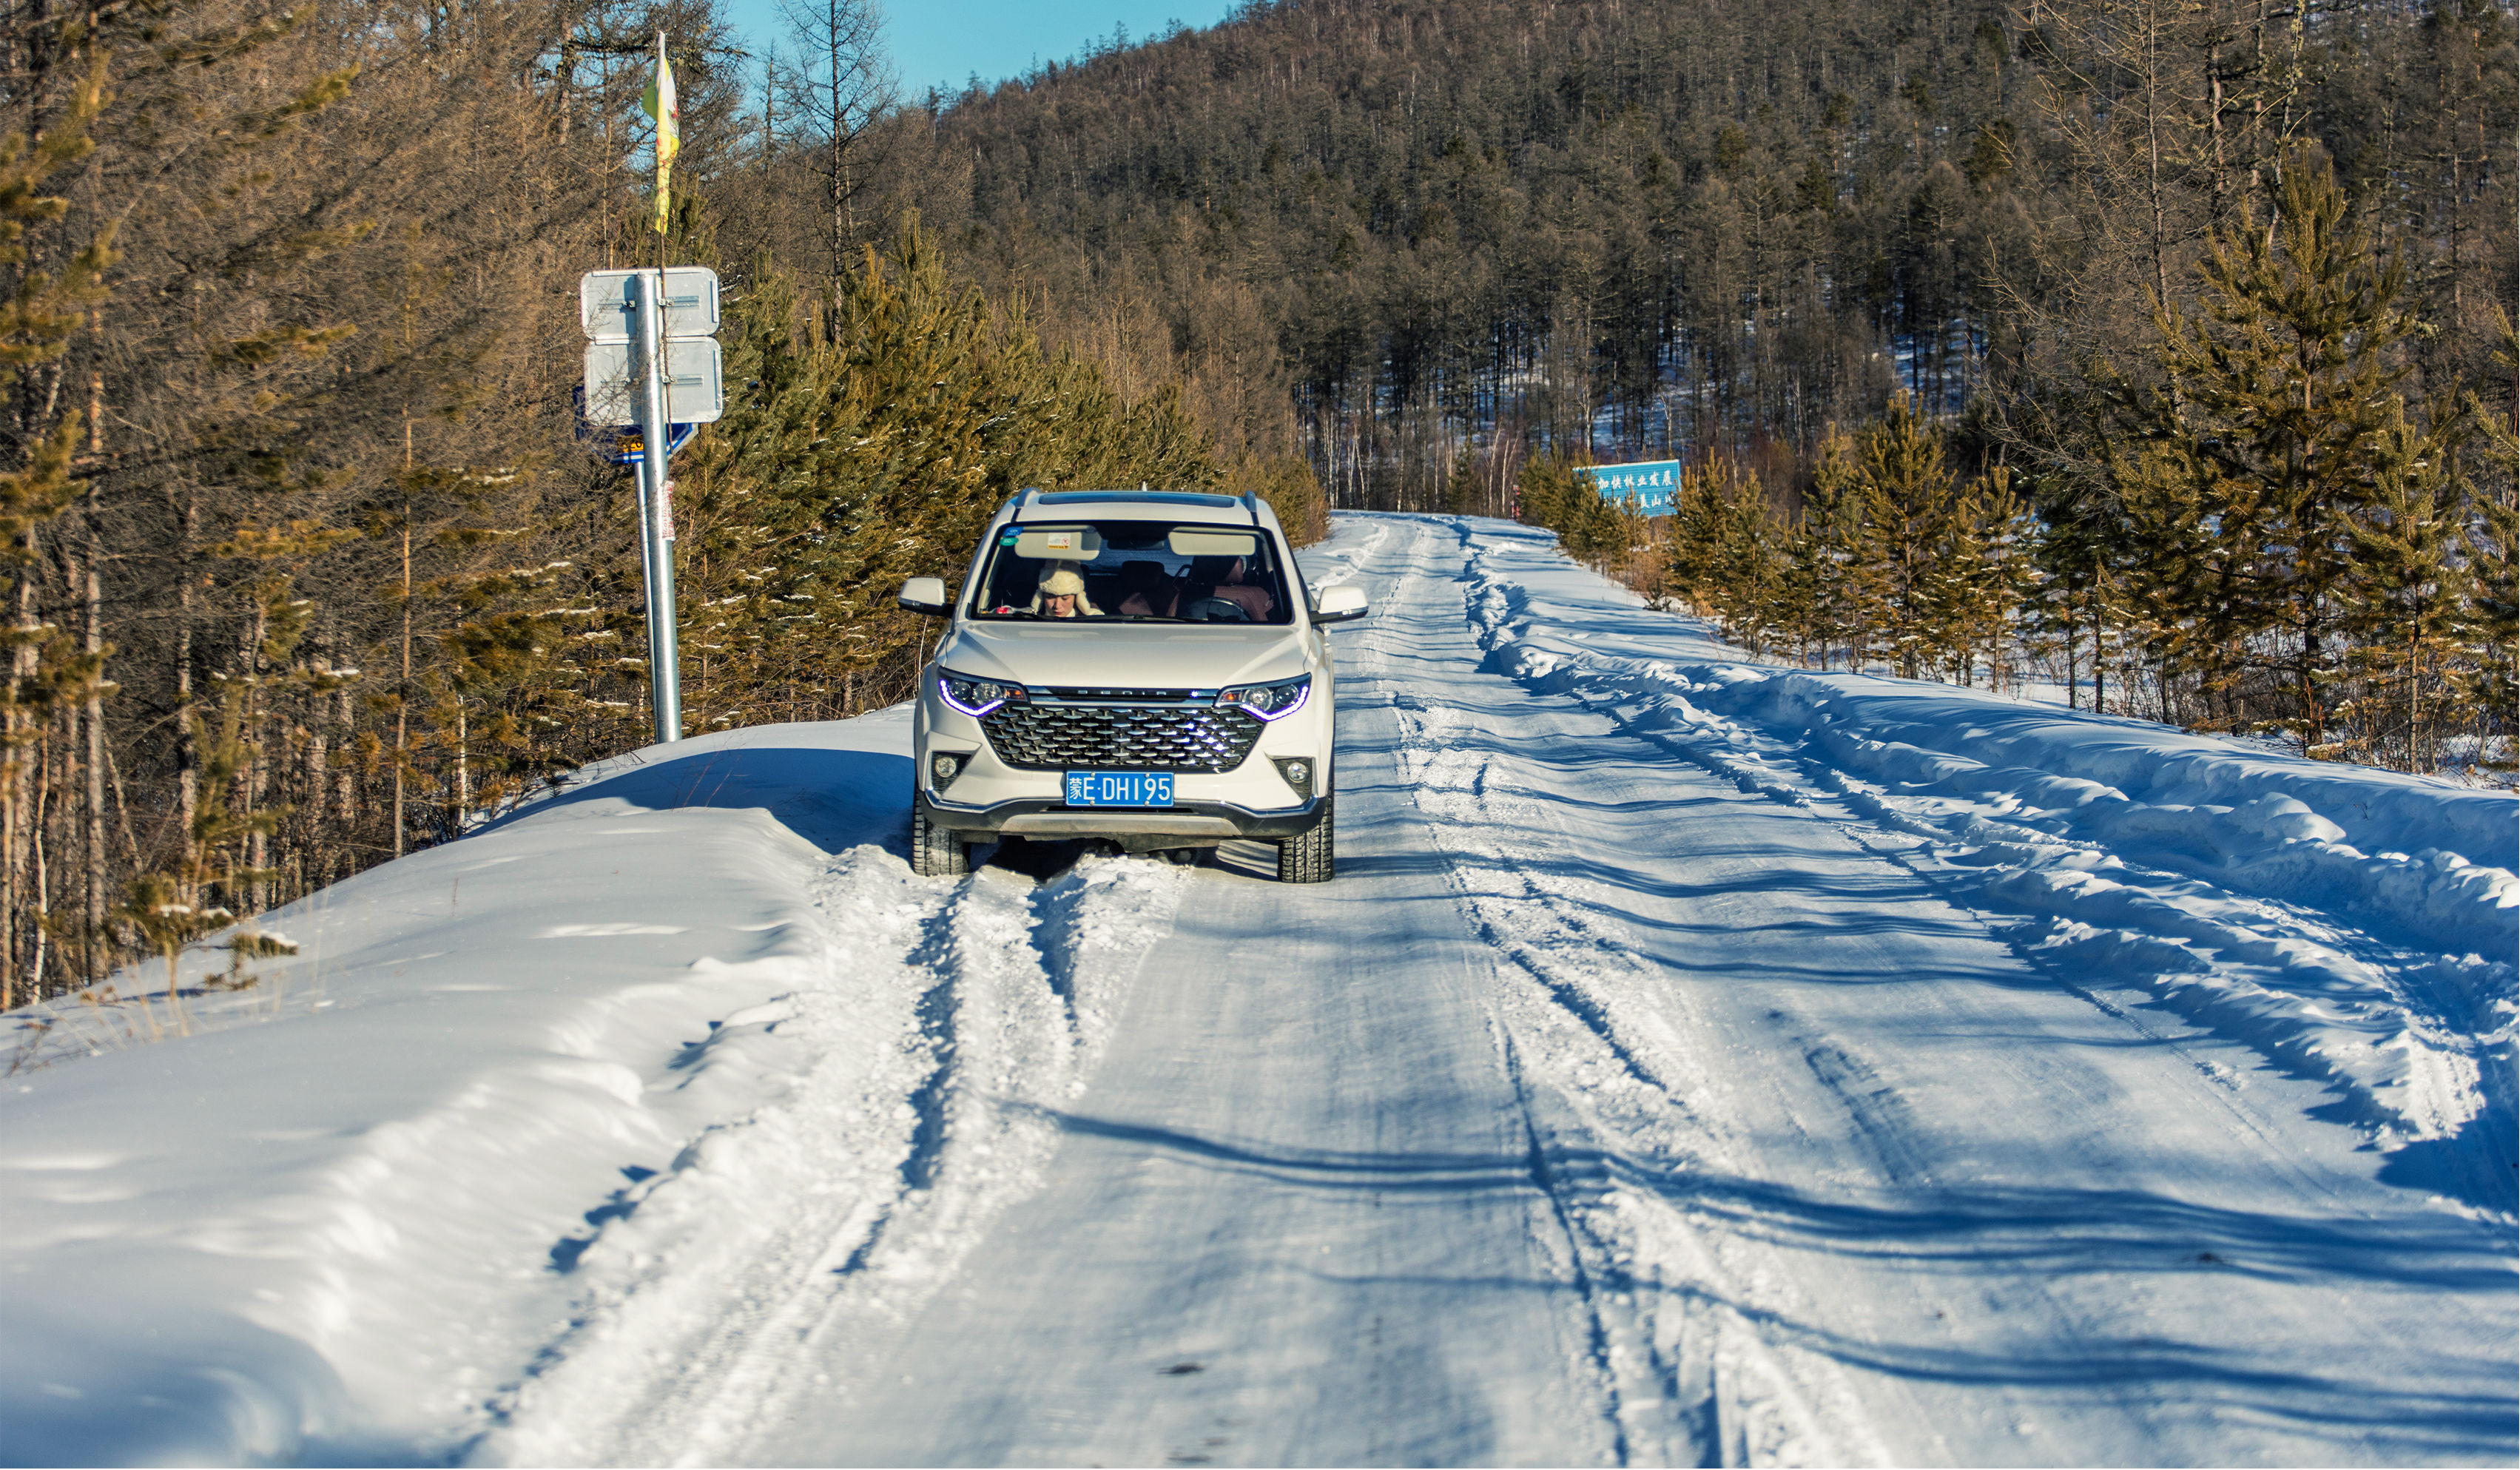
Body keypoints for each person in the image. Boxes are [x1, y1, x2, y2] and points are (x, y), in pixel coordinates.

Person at [1027, 565, 1099, 618]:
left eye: (1065, 598)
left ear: (1077, 598)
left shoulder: (1091, 622)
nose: (1057, 606)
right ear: (1041, 597)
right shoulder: (1026, 620)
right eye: (1049, 597)